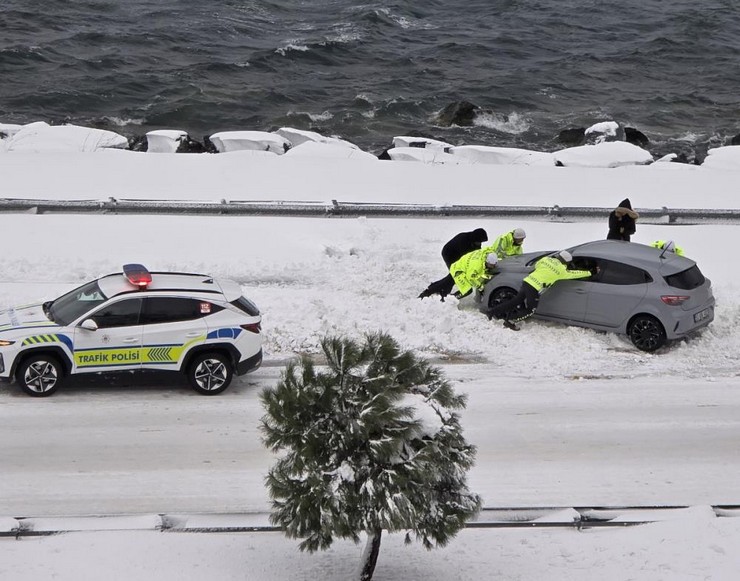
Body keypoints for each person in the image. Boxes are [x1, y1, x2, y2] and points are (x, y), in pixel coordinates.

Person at [487, 250, 592, 330]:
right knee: (531, 310)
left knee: (515, 301)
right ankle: (510, 320)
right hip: (534, 288)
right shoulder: (561, 271)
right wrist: (590, 272)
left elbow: (537, 265)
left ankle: (492, 311)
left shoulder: (546, 260)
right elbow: (573, 274)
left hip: (527, 282)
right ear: (566, 262)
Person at [418, 228, 488, 300]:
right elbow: (466, 260)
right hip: (449, 254)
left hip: (459, 256)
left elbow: (477, 254)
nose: (480, 244)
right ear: (475, 239)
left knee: (454, 278)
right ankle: (430, 292)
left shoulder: (474, 242)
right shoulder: (463, 240)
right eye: (479, 242)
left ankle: (443, 293)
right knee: (454, 277)